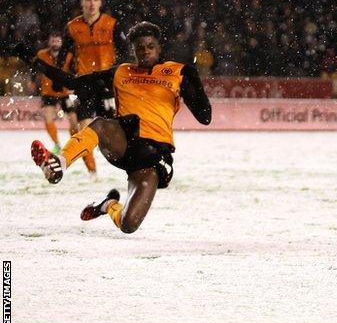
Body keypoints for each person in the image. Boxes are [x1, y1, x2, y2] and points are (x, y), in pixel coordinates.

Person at [30, 21, 211, 234]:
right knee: (101, 125)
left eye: (150, 46)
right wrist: (36, 62)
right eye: (140, 47)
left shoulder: (177, 73)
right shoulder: (121, 72)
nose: (145, 51)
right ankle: (58, 163)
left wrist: (194, 79)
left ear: (159, 48)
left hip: (152, 157)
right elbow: (74, 83)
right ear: (133, 50)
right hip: (124, 141)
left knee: (129, 224)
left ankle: (108, 205)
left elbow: (205, 117)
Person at [56, 0, 128, 177]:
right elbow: (63, 56)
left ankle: (127, 164)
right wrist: (58, 78)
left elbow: (126, 53)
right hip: (85, 83)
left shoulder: (112, 24)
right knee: (84, 129)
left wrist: (120, 74)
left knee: (116, 129)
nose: (92, 4)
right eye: (88, 0)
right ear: (82, 3)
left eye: (95, 0)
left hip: (107, 84)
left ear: (101, 3)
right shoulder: (72, 27)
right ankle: (93, 173)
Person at [35, 32, 79, 155]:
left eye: (57, 41)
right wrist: (34, 82)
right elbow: (36, 71)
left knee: (74, 121)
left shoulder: (69, 56)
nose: (55, 44)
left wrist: (73, 85)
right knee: (48, 119)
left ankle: (74, 145)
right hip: (48, 91)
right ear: (49, 42)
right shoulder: (41, 54)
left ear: (62, 42)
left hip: (66, 92)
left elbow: (75, 71)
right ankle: (57, 145)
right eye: (53, 41)